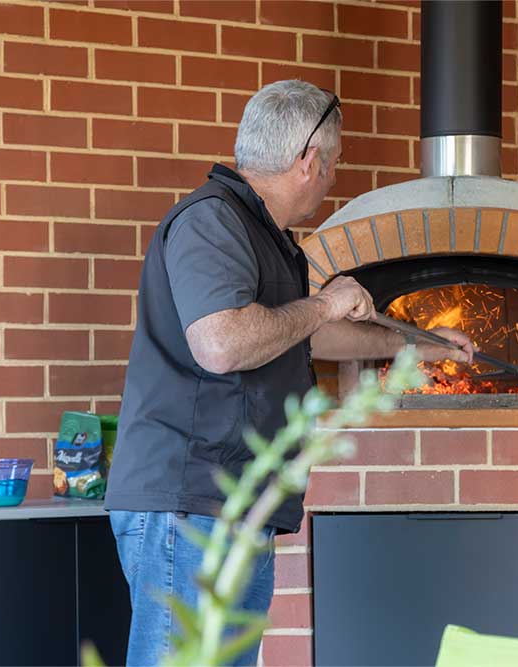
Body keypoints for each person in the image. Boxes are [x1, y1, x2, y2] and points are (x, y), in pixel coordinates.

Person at [104, 80, 474, 667]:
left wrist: (417, 348)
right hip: (192, 501)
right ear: (309, 160)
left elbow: (303, 331)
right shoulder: (211, 221)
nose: (333, 180)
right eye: (334, 165)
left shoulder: (263, 235)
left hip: (231, 502)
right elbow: (222, 343)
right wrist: (325, 302)